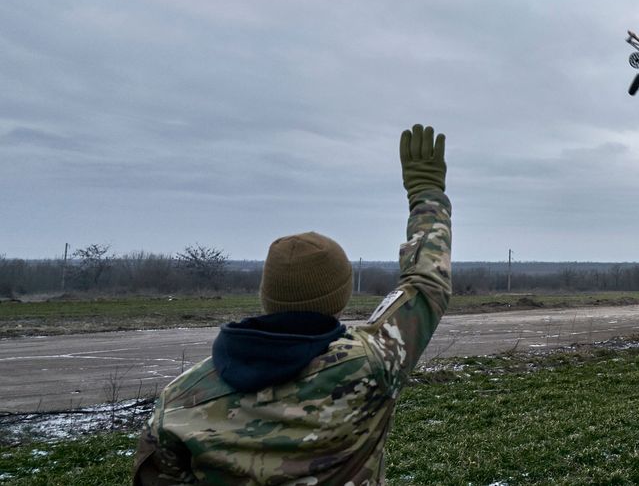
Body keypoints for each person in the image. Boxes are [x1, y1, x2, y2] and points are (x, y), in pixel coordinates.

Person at [134, 124, 451, 485]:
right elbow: (427, 283)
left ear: (266, 295)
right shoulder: (370, 364)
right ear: (340, 297)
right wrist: (427, 194)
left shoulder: (179, 399)